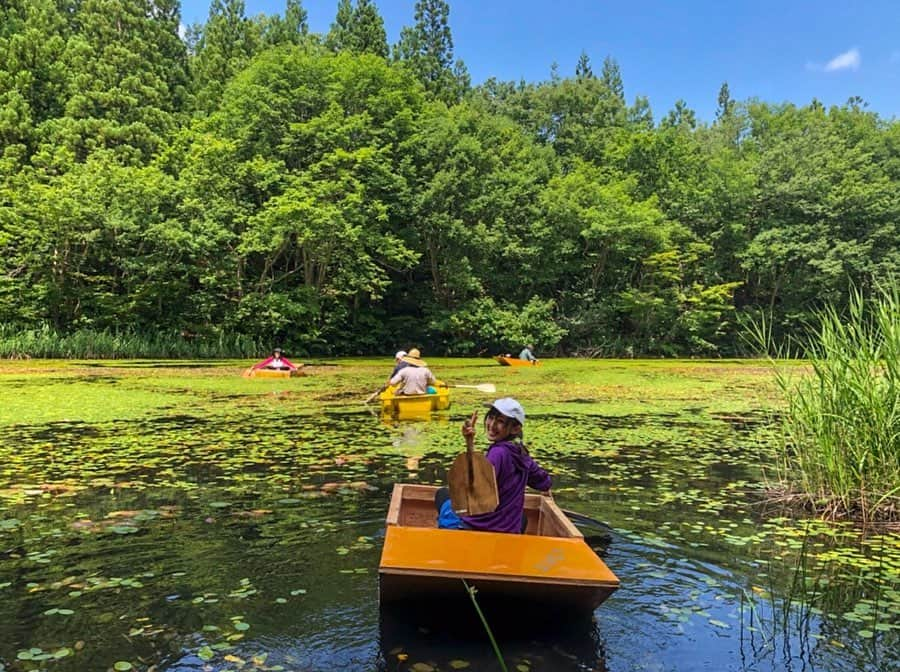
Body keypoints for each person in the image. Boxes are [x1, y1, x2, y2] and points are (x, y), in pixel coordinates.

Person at [436, 397, 552, 533]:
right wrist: (546, 490)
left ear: (515, 429)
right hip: (508, 529)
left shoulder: (498, 453)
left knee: (442, 494)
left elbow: (475, 491)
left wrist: (469, 443)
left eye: (500, 421)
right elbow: (544, 482)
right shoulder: (521, 453)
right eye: (491, 417)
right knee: (521, 518)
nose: (492, 425)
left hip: (480, 527)